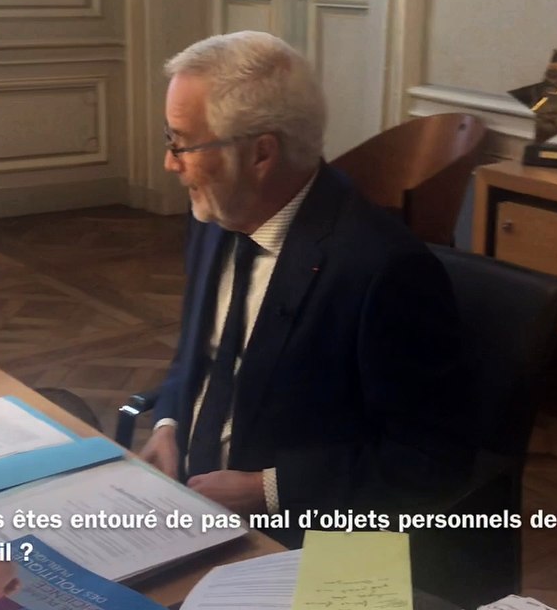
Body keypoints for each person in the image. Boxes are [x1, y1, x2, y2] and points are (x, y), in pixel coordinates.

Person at [138, 31, 468, 543]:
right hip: (183, 506)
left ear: (261, 155)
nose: (170, 162)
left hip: (292, 536)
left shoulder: (383, 269)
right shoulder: (216, 213)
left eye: (183, 143)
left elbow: (430, 460)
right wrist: (167, 424)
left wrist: (267, 490)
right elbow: (197, 353)